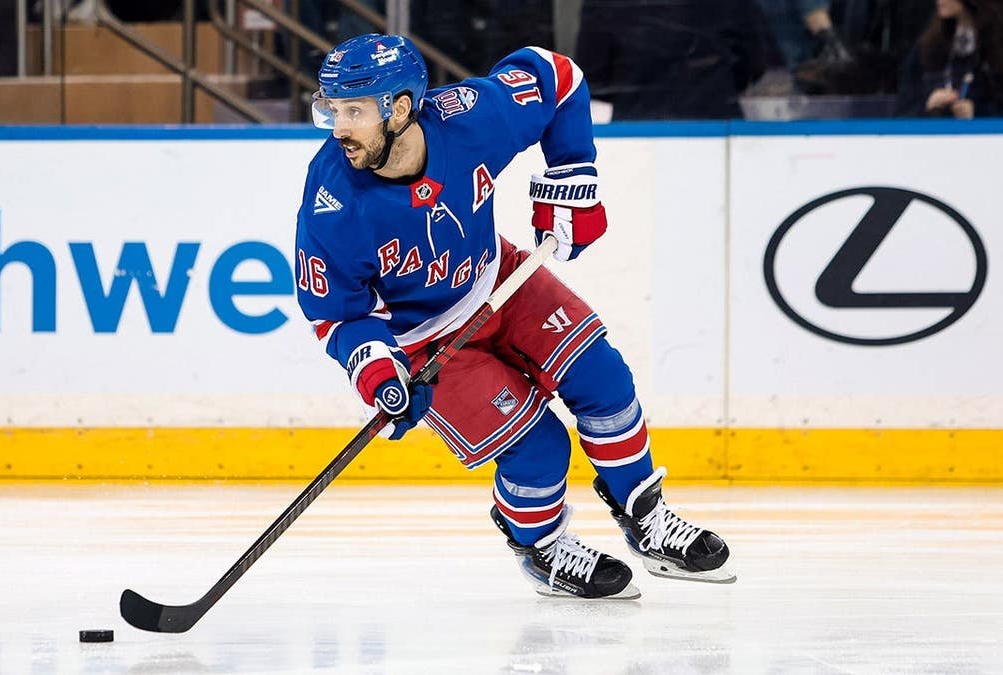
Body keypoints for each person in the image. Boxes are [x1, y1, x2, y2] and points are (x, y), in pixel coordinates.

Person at [294, 33, 734, 598]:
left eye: (353, 110)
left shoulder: (471, 119)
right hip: (425, 340)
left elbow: (561, 77)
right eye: (330, 109)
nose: (338, 128)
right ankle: (541, 545)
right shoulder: (331, 201)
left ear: (401, 108)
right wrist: (379, 372)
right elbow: (336, 314)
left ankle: (646, 518)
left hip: (499, 277)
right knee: (540, 448)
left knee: (604, 379)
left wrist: (573, 176)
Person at [574, 0, 770, 119]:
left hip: (638, 130)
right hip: (715, 121)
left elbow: (593, 78)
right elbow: (754, 63)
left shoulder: (607, 5)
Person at [895, 0, 1003, 118]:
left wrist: (978, 112)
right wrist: (927, 106)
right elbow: (903, 109)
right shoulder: (927, 46)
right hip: (934, 135)